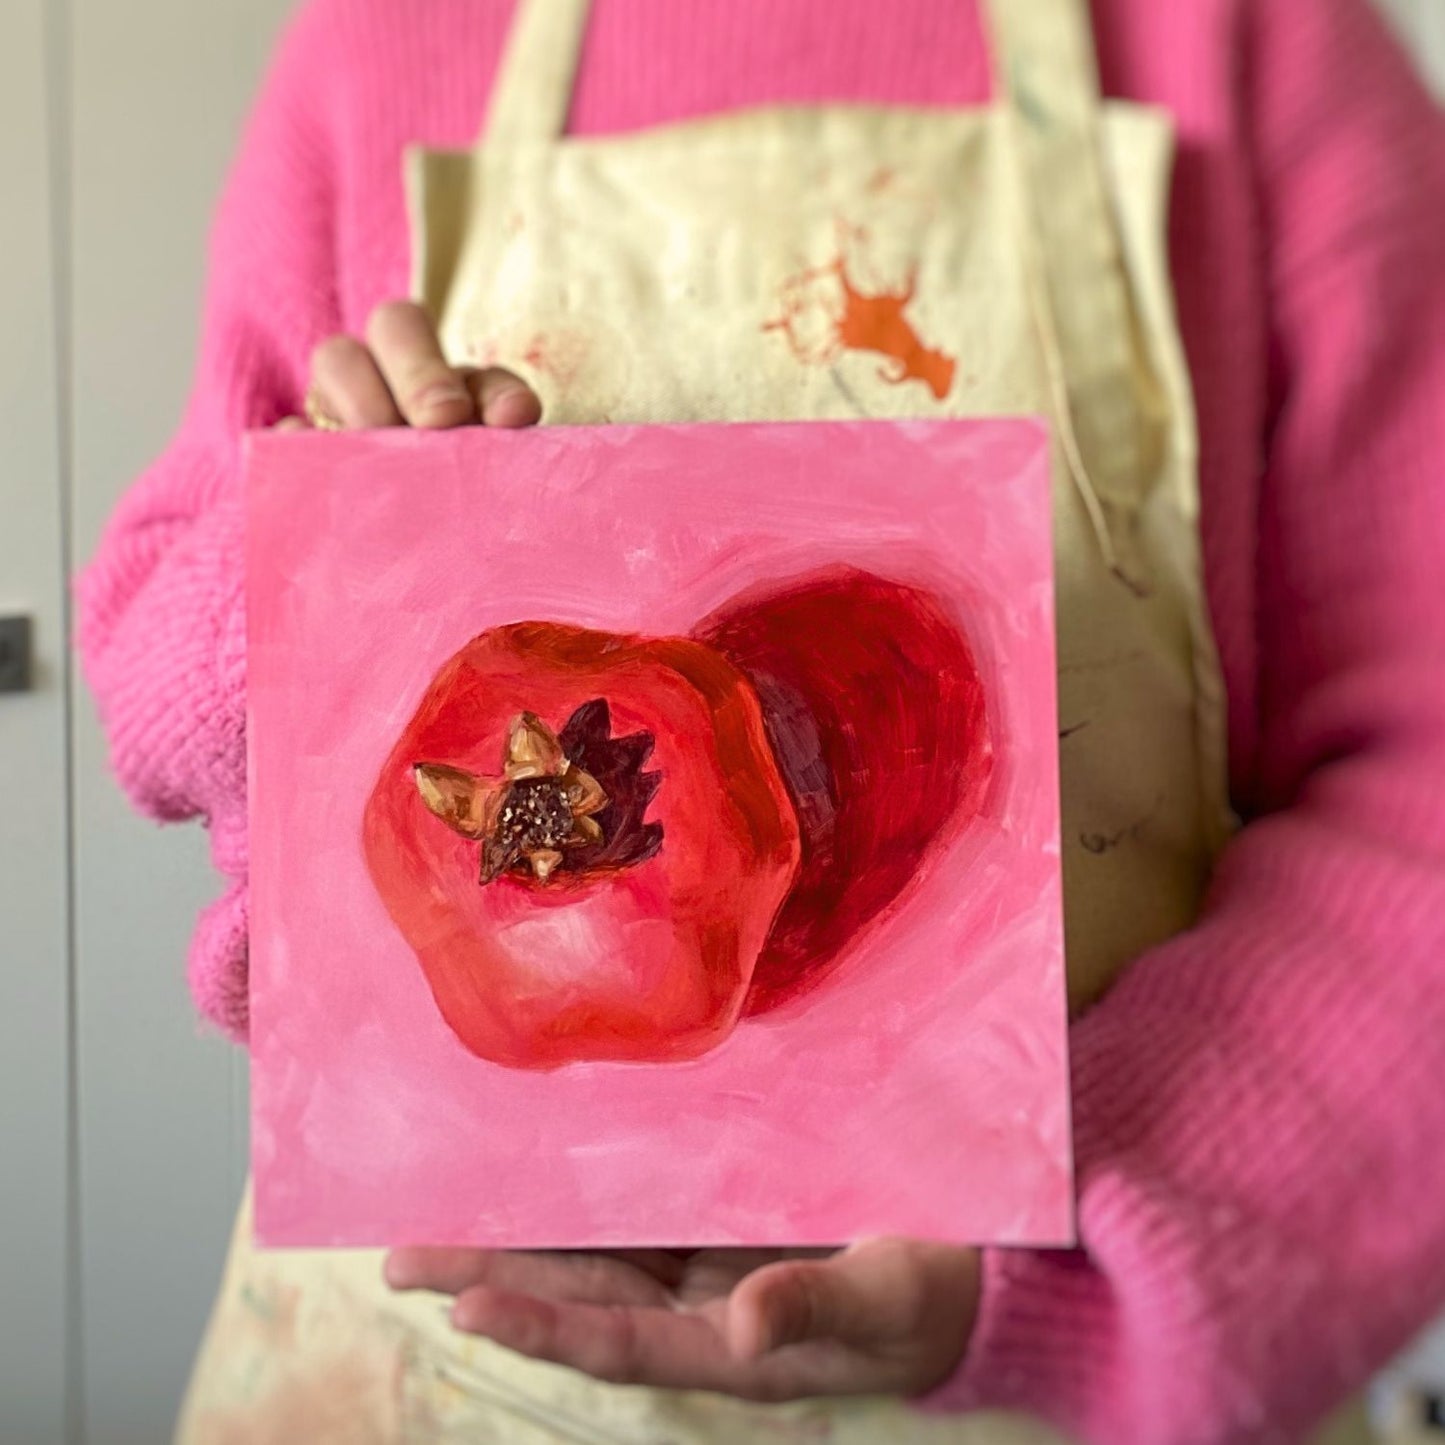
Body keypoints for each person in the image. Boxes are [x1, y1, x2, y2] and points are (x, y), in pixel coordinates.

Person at [77, 0, 1445, 1441]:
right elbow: (161, 678)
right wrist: (305, 568)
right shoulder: (381, 41)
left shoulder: (1246, 35)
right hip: (434, 1374)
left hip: (1052, 1365)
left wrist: (1083, 1229)